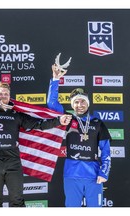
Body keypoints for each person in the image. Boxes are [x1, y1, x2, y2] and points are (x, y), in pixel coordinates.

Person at [0, 65, 71, 207]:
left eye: (6, 94)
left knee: (17, 201)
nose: (3, 96)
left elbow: (38, 124)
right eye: (0, 94)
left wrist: (58, 121)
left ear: (9, 96)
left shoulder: (16, 115)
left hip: (13, 161)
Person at [47, 64, 111, 207]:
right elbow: (51, 104)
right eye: (76, 102)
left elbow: (106, 151)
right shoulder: (68, 119)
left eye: (82, 101)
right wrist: (55, 79)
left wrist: (104, 172)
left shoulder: (98, 123)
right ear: (72, 104)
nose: (79, 105)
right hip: (71, 174)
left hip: (93, 175)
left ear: (87, 103)